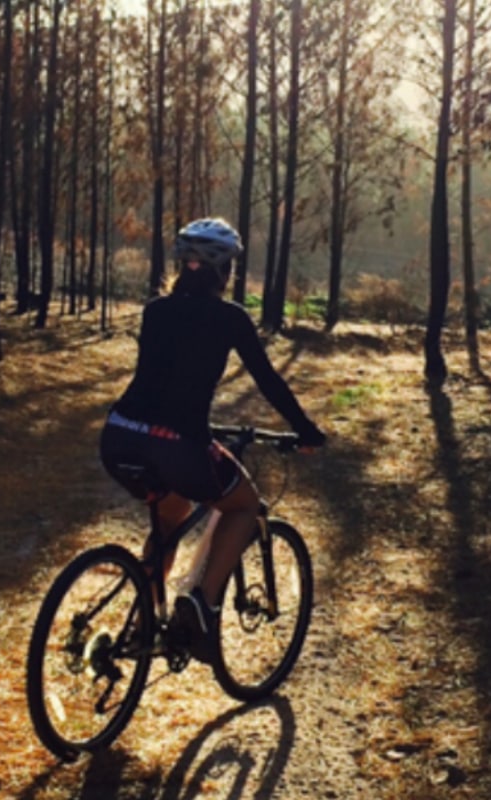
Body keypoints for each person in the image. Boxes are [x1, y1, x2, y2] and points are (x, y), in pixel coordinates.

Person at [98, 217, 327, 664]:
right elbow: (268, 381)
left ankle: (144, 627)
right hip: (177, 444)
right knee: (244, 506)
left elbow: (163, 379)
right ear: (225, 271)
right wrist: (306, 429)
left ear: (183, 264)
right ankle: (201, 604)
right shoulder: (229, 319)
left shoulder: (155, 310)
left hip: (120, 436)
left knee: (168, 523)